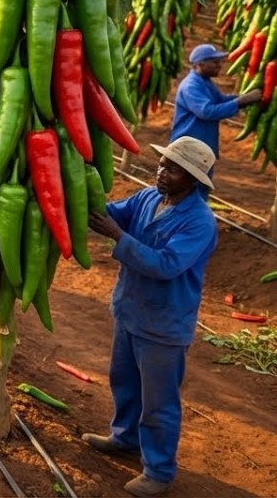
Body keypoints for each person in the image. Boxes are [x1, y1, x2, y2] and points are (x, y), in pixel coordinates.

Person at [83, 136, 219, 498]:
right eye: (163, 165)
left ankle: (159, 470)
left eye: (173, 170)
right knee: (124, 381)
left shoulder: (200, 222)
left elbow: (167, 265)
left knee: (159, 400)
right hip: (131, 310)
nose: (162, 173)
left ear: (192, 180)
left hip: (164, 324)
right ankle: (125, 438)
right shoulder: (148, 198)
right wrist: (78, 189)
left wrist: (117, 237)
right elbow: (114, 213)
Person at [170, 44, 260, 185]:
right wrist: (240, 102)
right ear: (201, 64)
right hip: (189, 149)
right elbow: (207, 112)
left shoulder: (205, 82)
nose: (220, 65)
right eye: (215, 62)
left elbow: (220, 100)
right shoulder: (191, 86)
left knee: (198, 187)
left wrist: (242, 97)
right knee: (186, 188)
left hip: (202, 146)